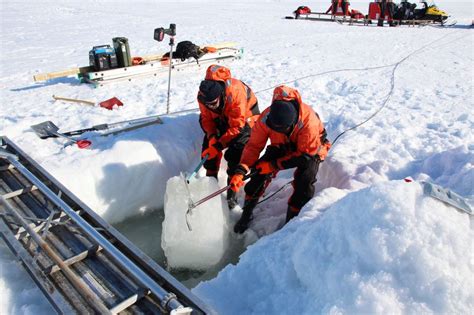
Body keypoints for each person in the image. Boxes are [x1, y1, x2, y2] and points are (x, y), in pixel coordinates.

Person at [229, 85, 331, 233]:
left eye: (281, 129)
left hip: (311, 149)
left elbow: (305, 156)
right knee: (258, 173)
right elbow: (253, 146)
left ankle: (292, 222)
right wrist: (242, 169)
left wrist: (274, 165)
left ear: (292, 123)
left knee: (305, 181)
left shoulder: (308, 122)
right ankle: (246, 214)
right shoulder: (265, 119)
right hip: (283, 145)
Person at [197, 64, 260, 209]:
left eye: (213, 103)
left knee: (236, 152)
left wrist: (219, 145)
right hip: (223, 117)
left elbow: (237, 127)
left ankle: (231, 196)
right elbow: (206, 118)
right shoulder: (203, 97)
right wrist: (212, 137)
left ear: (221, 95)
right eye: (208, 104)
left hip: (245, 119)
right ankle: (210, 185)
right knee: (208, 150)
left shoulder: (235, 93)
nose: (210, 106)